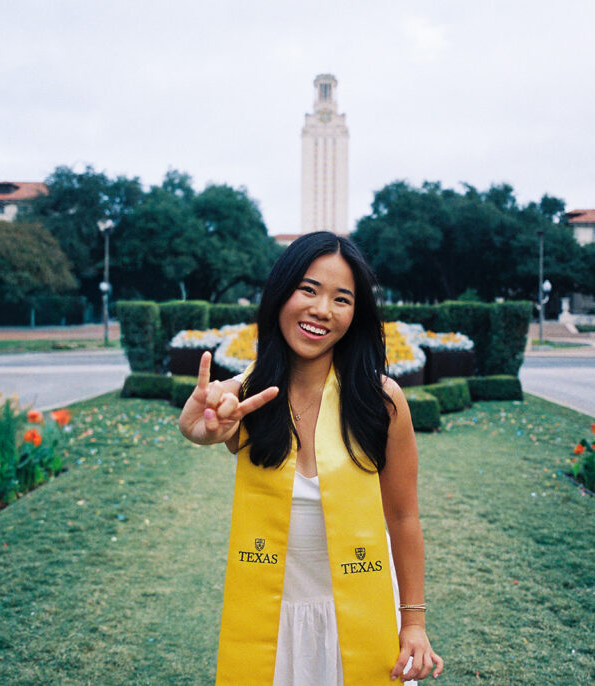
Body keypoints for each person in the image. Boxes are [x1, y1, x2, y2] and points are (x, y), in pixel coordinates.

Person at [180, 232, 444, 684]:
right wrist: (201, 428)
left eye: (342, 299)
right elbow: (201, 424)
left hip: (363, 610)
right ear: (281, 293)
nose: (322, 310)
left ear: (355, 313)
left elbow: (402, 517)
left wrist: (414, 622)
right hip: (270, 618)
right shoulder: (246, 397)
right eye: (308, 289)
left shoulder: (381, 401)